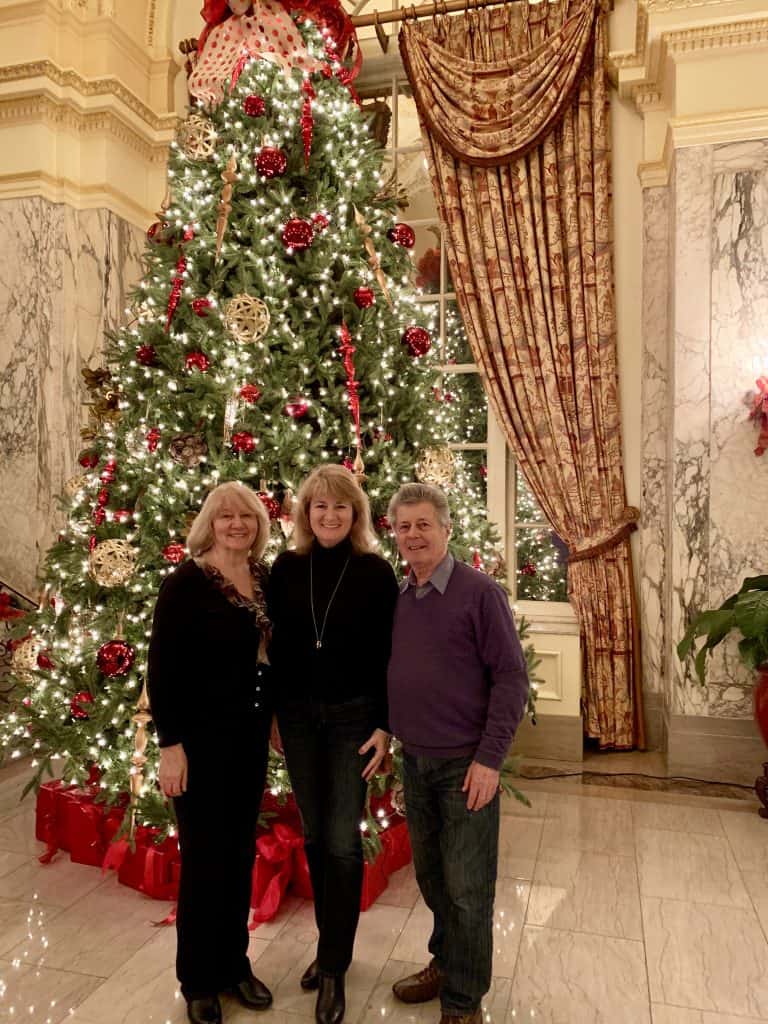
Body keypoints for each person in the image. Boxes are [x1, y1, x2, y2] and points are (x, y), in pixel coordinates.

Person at [386, 482, 530, 1024]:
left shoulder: (480, 593)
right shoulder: (400, 599)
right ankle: (446, 962)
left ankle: (464, 1001)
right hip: (416, 761)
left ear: (447, 529)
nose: (413, 535)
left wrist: (490, 759)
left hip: (466, 765)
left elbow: (511, 679)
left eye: (424, 524)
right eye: (404, 526)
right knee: (432, 878)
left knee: (469, 889)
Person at [267, 464, 399, 1024]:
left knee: (343, 843)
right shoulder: (285, 568)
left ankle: (335, 966)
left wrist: (386, 725)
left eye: (340, 507)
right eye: (319, 506)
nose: (329, 515)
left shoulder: (375, 572)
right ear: (304, 513)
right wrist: (272, 714)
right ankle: (328, 951)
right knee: (317, 839)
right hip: (297, 719)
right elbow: (271, 649)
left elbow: (394, 657)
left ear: (356, 514)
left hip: (352, 722)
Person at [148, 481, 274, 1024]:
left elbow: (270, 661)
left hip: (246, 740)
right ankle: (198, 978)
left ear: (258, 525)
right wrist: (170, 746)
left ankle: (234, 964)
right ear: (209, 523)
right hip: (198, 744)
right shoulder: (186, 583)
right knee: (204, 862)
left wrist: (272, 722)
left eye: (246, 516)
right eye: (225, 517)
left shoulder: (264, 580)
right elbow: (163, 670)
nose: (236, 524)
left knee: (239, 855)